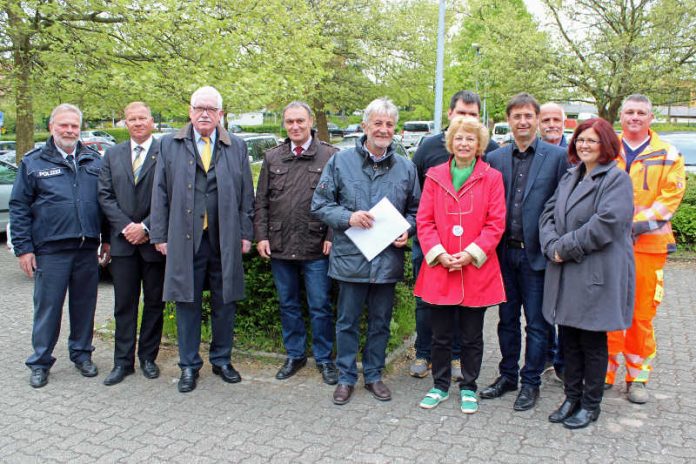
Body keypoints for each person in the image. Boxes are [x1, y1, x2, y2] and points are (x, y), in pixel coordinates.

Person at [312, 97, 420, 405]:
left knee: (380, 322)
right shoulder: (340, 162)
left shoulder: (406, 167)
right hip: (350, 258)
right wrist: (348, 218)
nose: (383, 130)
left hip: (386, 260)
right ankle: (346, 377)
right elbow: (319, 205)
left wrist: (407, 230)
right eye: (378, 123)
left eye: (389, 124)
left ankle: (373, 375)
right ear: (364, 126)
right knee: (346, 322)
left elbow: (417, 210)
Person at [150, 86, 255, 393]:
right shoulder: (170, 143)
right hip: (185, 238)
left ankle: (222, 360)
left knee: (226, 302)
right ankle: (188, 365)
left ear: (221, 114)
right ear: (190, 112)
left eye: (211, 109)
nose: (204, 114)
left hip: (224, 238)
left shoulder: (235, 145)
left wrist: (246, 233)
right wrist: (159, 234)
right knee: (187, 302)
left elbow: (246, 194)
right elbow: (160, 192)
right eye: (199, 108)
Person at [540, 117, 635, 429]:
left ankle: (590, 404)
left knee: (592, 343)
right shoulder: (571, 176)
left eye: (591, 140)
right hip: (567, 272)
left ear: (605, 145)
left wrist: (563, 248)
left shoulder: (616, 179)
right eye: (580, 139)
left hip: (594, 274)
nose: (584, 145)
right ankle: (571, 396)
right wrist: (550, 243)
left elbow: (606, 223)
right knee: (569, 340)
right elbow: (548, 213)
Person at [10, 103, 109, 388]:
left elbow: (103, 204)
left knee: (84, 307)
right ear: (52, 127)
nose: (69, 130)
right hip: (50, 251)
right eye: (63, 125)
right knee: (48, 309)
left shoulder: (94, 161)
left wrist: (108, 240)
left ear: (80, 129)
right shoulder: (33, 162)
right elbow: (19, 208)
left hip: (86, 248)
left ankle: (81, 354)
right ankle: (40, 361)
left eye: (74, 126)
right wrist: (24, 248)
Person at [480, 93, 568, 412]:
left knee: (537, 324)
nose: (522, 122)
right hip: (502, 254)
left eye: (528, 116)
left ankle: (531, 381)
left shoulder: (557, 158)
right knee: (505, 320)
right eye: (516, 116)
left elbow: (562, 205)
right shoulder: (496, 159)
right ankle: (507, 376)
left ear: (537, 119)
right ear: (509, 120)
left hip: (537, 257)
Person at [414, 116, 505, 414]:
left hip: (475, 267)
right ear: (450, 142)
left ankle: (468, 385)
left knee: (471, 335)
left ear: (479, 145)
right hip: (441, 267)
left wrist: (471, 253)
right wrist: (439, 254)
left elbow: (496, 223)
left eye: (470, 139)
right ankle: (440, 385)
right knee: (439, 335)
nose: (464, 143)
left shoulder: (492, 177)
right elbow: (424, 220)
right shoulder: (434, 175)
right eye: (458, 138)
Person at [605, 94, 686, 404]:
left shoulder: (668, 154)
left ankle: (636, 377)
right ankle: (606, 372)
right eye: (629, 112)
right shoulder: (608, 148)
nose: (634, 117)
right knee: (608, 308)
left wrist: (632, 224)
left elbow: (669, 200)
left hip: (647, 247)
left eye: (641, 112)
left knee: (640, 315)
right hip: (609, 246)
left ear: (651, 117)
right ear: (621, 117)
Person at [254, 101, 339, 385]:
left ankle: (325, 358)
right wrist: (262, 236)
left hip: (316, 246)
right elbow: (261, 203)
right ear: (284, 123)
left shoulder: (329, 156)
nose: (295, 126)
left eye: (300, 121)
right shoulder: (272, 157)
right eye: (290, 121)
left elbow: (339, 202)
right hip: (279, 245)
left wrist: (331, 235)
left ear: (311, 121)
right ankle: (295, 354)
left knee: (320, 305)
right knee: (288, 304)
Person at [98, 102, 165, 386]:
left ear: (152, 121)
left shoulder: (166, 153)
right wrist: (127, 227)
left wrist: (147, 227)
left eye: (142, 118)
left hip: (154, 244)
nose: (137, 123)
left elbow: (171, 195)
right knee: (123, 304)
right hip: (123, 244)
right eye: (131, 119)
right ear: (125, 123)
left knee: (154, 304)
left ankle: (148, 358)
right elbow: (104, 195)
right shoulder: (112, 154)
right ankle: (122, 362)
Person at [539, 101, 569, 382]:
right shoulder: (537, 152)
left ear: (564, 121)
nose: (551, 124)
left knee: (566, 304)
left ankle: (563, 360)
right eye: (545, 119)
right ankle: (548, 356)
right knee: (543, 307)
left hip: (567, 243)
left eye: (555, 119)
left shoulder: (575, 151)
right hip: (540, 243)